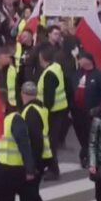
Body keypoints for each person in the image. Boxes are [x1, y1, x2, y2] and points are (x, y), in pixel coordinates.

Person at [37, 46, 69, 180]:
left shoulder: (49, 74)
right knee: (51, 141)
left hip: (52, 112)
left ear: (42, 58)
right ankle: (49, 166)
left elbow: (48, 99)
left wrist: (42, 112)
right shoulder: (56, 66)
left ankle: (54, 170)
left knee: (50, 142)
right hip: (60, 109)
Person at [72, 51, 101, 168]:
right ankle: (86, 152)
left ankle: (88, 156)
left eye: (81, 59)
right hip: (77, 111)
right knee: (81, 134)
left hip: (92, 111)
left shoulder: (99, 75)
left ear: (88, 60)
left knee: (91, 136)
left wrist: (100, 108)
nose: (79, 61)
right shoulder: (76, 74)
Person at [0, 105, 36, 201]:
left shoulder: (14, 119)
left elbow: (25, 146)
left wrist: (30, 170)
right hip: (4, 169)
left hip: (17, 169)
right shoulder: (2, 120)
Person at [19, 82, 52, 201]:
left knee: (29, 194)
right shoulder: (41, 107)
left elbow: (35, 139)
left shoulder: (30, 111)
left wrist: (31, 166)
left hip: (36, 158)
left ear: (23, 94)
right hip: (44, 155)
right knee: (32, 193)